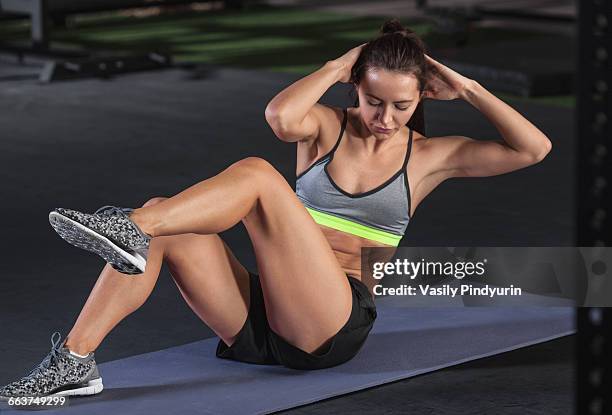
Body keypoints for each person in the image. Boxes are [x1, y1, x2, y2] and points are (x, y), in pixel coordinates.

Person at [0, 19, 552, 399]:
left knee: (260, 177)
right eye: (373, 100)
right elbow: (280, 116)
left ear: (423, 97)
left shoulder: (431, 157)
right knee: (166, 217)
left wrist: (469, 86)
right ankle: (74, 362)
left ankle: (129, 227)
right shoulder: (324, 127)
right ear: (355, 89)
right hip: (267, 318)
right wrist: (339, 65)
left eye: (401, 105)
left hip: (329, 325)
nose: (385, 117)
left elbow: (534, 149)